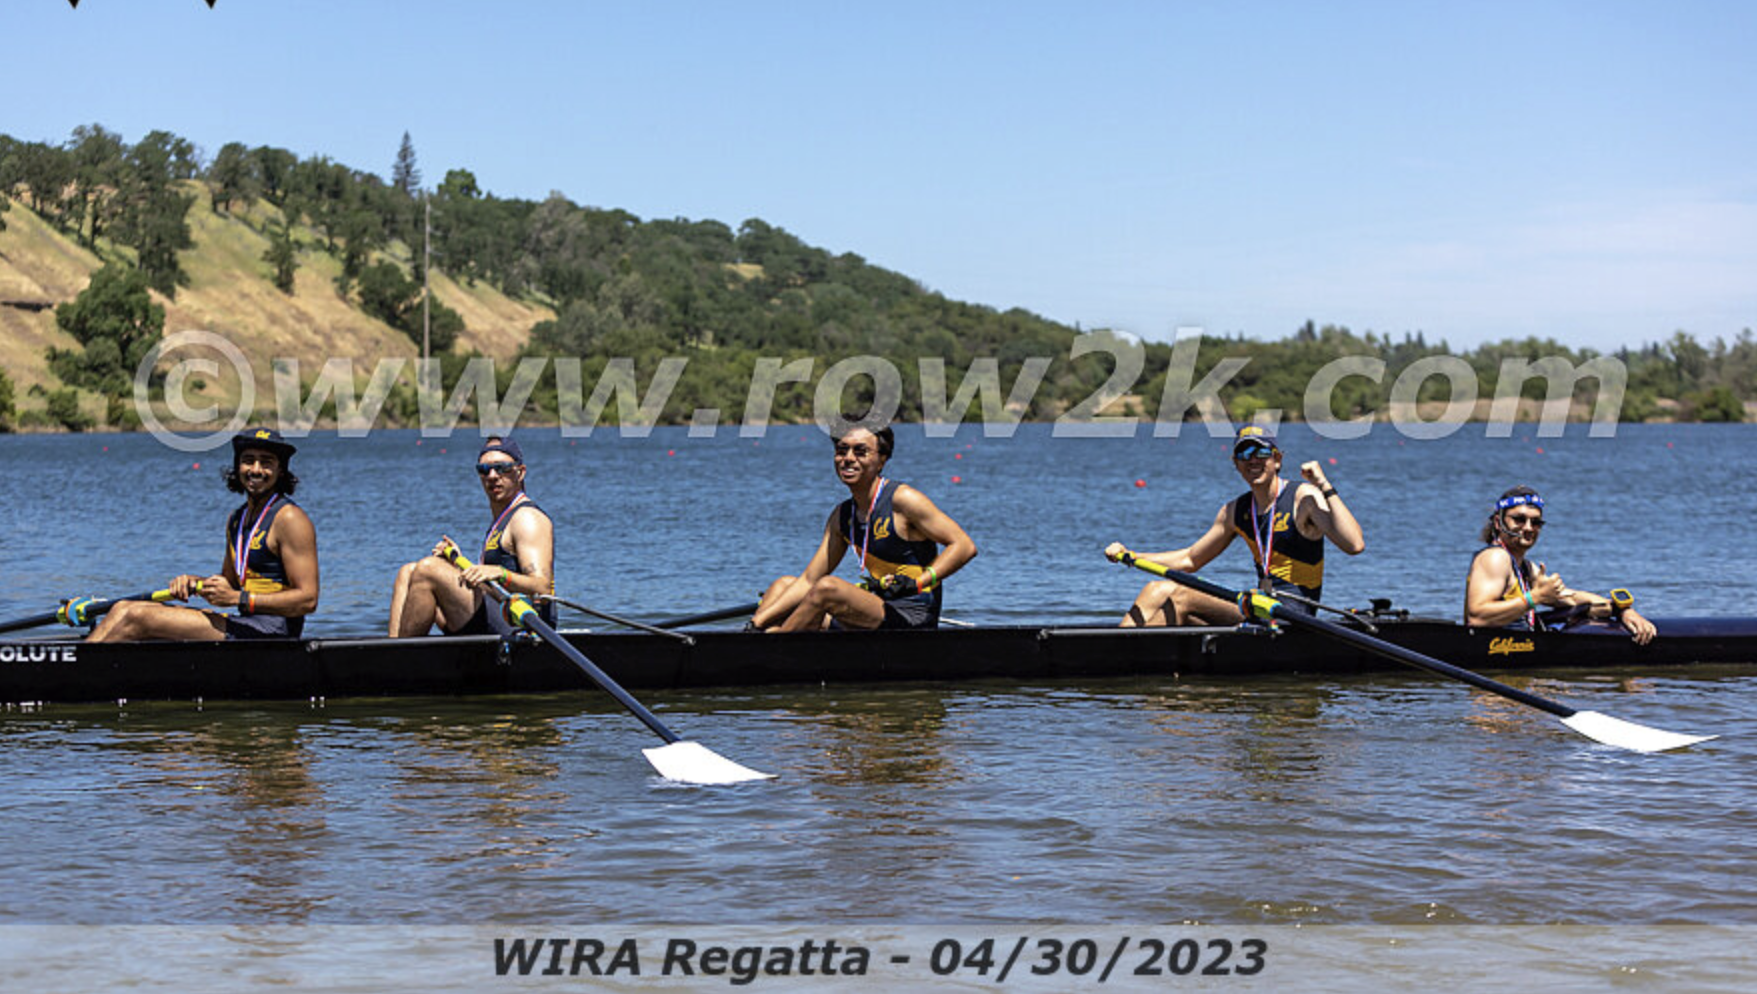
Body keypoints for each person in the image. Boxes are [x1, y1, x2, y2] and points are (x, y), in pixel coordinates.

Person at [1104, 424, 1365, 626]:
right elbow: (1190, 559)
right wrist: (1132, 556)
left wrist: (1324, 484)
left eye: (1262, 453)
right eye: (1244, 453)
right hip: (1259, 605)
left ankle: (1129, 662)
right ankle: (1116, 652)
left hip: (1293, 612)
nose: (1253, 460)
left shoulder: (1303, 498)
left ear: (1277, 460)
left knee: (1182, 596)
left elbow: (1354, 545)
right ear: (1236, 464)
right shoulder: (1234, 512)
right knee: (1155, 589)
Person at [87, 427, 320, 642]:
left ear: (280, 471)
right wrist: (195, 583)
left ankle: (74, 673)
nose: (256, 470)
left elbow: (308, 599)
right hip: (247, 623)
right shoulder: (237, 518)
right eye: (248, 461)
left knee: (137, 615)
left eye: (266, 462)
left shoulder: (290, 518)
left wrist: (238, 599)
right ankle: (76, 668)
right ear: (238, 466)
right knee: (122, 608)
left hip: (273, 633)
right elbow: (229, 582)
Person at [751, 422, 977, 632]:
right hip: (875, 609)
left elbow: (964, 546)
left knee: (828, 588)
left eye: (860, 452)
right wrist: (756, 623)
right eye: (842, 450)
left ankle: (772, 654)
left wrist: (918, 583)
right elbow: (809, 579)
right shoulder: (842, 516)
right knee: (783, 586)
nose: (848, 459)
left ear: (882, 460)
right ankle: (756, 643)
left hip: (912, 616)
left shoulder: (903, 500)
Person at [388, 436, 556, 637]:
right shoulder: (502, 518)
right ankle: (391, 652)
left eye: (502, 468)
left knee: (428, 570)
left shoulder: (527, 519)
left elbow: (541, 586)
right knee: (407, 572)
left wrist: (500, 573)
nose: (492, 476)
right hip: (498, 613)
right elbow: (492, 586)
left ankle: (400, 660)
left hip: (526, 628)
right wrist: (458, 564)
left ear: (520, 473)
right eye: (484, 470)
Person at [1464, 486, 1656, 644]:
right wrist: (1535, 598)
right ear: (1498, 523)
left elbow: (1572, 598)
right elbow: (1478, 617)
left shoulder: (1527, 568)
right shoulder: (1495, 558)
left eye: (1536, 522)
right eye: (1519, 519)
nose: (1529, 528)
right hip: (1489, 655)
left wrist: (1623, 610)